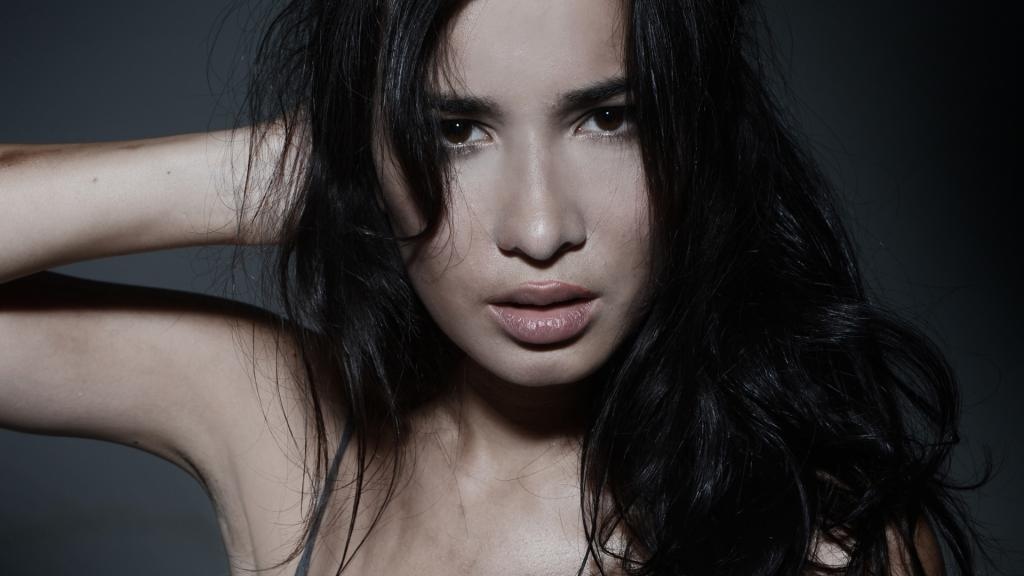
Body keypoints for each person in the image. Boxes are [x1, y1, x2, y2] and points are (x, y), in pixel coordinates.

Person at [0, 0, 984, 574]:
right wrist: (299, 170)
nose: (539, 229)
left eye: (610, 118)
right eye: (455, 130)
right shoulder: (294, 438)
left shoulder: (825, 547)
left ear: (693, 131)